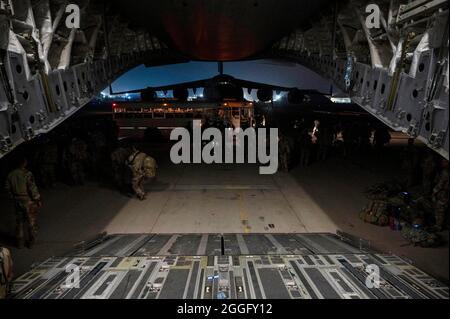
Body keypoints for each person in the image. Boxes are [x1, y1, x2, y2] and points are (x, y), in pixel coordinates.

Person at [5, 157, 42, 248]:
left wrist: (13, 197)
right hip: (27, 200)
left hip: (17, 200)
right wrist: (37, 199)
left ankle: (19, 242)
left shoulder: (11, 174)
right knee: (31, 221)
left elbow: (7, 188)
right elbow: (32, 187)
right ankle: (31, 242)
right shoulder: (27, 174)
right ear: (24, 163)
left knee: (19, 221)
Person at [431, 160, 449, 232]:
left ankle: (438, 226)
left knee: (439, 209)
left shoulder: (445, 172)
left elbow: (440, 184)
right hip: (446, 193)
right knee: (444, 209)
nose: (442, 163)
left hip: (443, 193)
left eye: (444, 161)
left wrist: (434, 191)